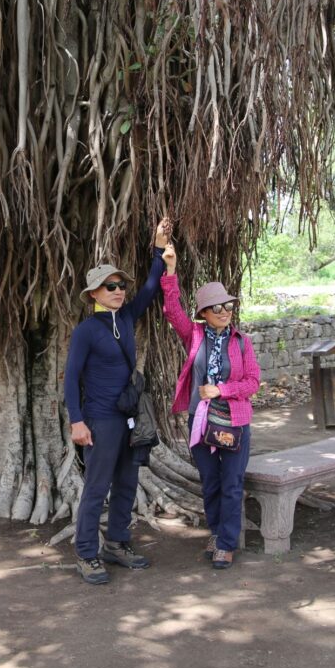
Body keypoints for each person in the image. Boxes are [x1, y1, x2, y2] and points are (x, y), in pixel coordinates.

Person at [63, 217, 172, 585]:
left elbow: (153, 285)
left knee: (127, 482)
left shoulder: (125, 317)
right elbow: (70, 378)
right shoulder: (86, 331)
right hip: (100, 419)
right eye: (110, 286)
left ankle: (117, 543)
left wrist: (159, 247)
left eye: (121, 285)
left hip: (129, 417)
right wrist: (77, 422)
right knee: (97, 486)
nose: (118, 290)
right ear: (93, 293)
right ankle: (86, 553)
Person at [160, 244, 260, 569]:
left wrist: (221, 389)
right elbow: (172, 311)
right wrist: (171, 270)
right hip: (201, 422)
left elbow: (253, 383)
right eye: (216, 307)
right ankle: (217, 532)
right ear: (203, 312)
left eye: (228, 305)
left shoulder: (242, 342)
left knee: (231, 483)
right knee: (211, 482)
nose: (224, 311)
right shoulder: (195, 336)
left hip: (234, 421)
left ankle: (227, 543)